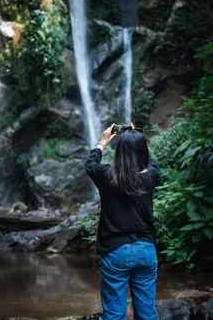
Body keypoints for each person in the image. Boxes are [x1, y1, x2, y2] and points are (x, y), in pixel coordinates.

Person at [85, 123, 160, 320]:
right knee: (147, 312)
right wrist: (138, 135)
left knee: (114, 313)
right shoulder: (151, 175)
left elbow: (90, 165)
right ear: (142, 150)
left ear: (119, 151)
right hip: (146, 250)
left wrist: (103, 141)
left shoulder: (106, 175)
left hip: (116, 251)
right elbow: (150, 160)